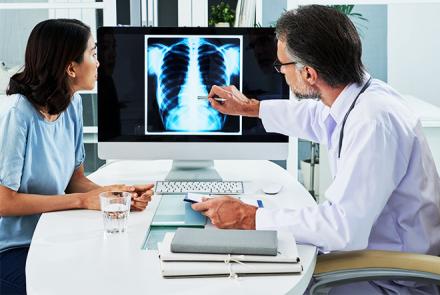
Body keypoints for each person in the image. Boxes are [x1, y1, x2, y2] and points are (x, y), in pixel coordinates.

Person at [192, 5, 440, 294]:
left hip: (391, 277)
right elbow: (314, 118)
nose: (281, 73)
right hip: (373, 258)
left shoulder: (373, 122)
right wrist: (249, 108)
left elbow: (342, 228)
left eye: (281, 66)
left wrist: (249, 216)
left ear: (308, 74)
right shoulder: (362, 98)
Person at [0, 19, 154, 295]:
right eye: (93, 54)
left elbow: (75, 180)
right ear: (71, 67)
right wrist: (84, 200)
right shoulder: (18, 115)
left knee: (117, 272)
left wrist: (117, 195)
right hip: (14, 249)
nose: (99, 63)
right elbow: (4, 202)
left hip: (54, 236)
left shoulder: (72, 105)